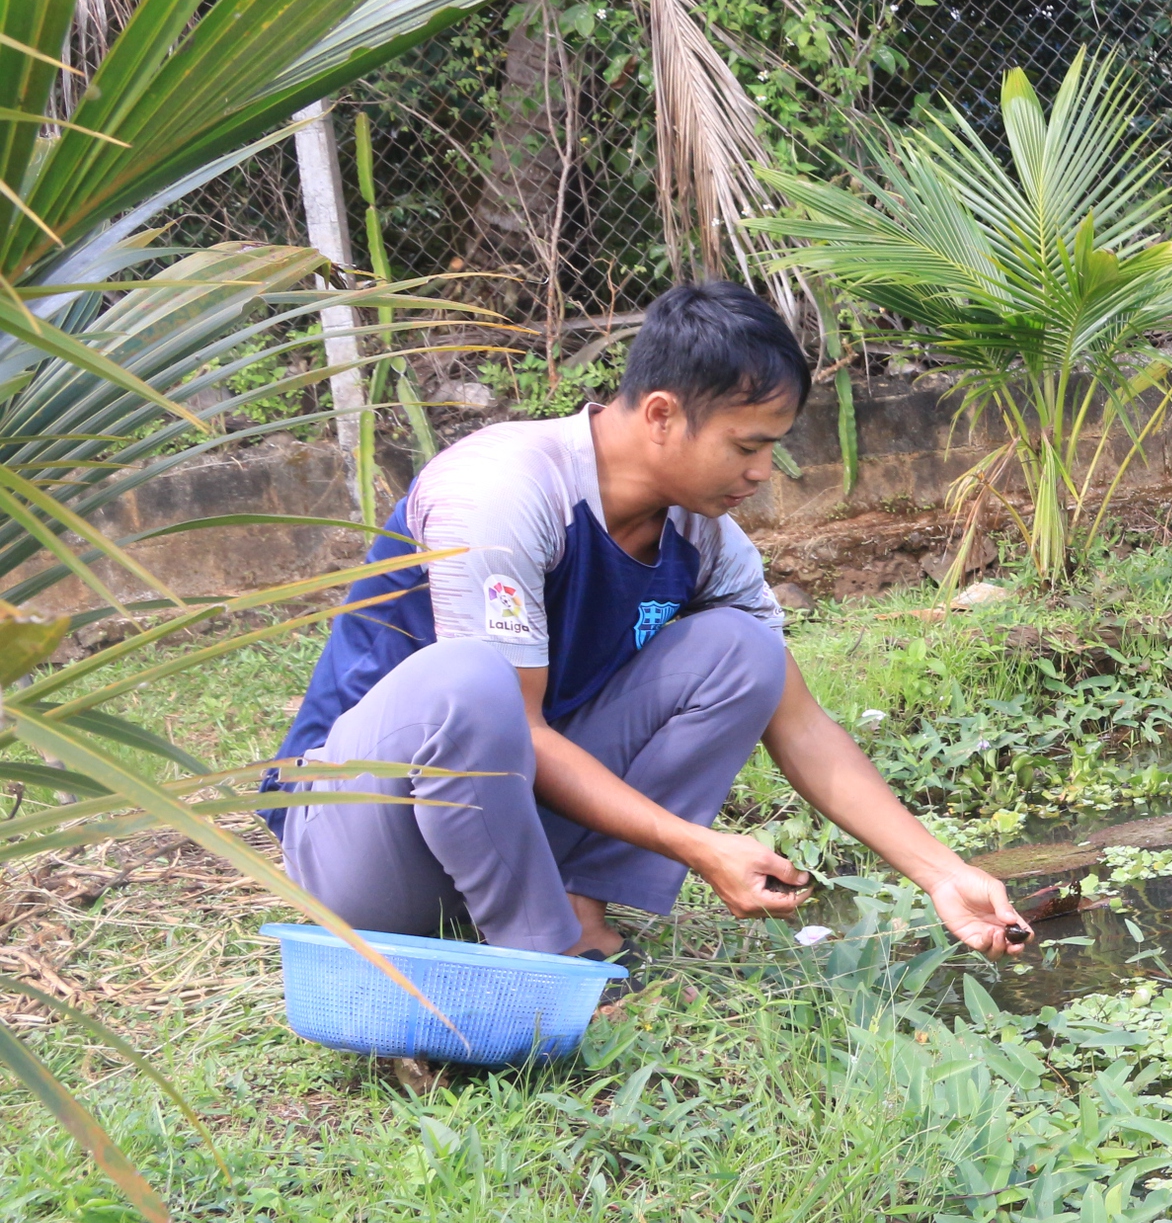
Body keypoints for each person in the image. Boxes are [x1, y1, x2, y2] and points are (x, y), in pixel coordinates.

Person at [263, 282, 1029, 963]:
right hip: (362, 842)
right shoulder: (502, 489)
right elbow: (512, 727)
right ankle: (545, 957)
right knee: (473, 683)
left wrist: (943, 872)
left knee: (745, 651)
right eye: (748, 445)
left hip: (503, 828)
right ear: (662, 414)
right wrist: (696, 845)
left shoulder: (702, 541)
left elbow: (800, 723)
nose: (765, 472)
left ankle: (572, 900)